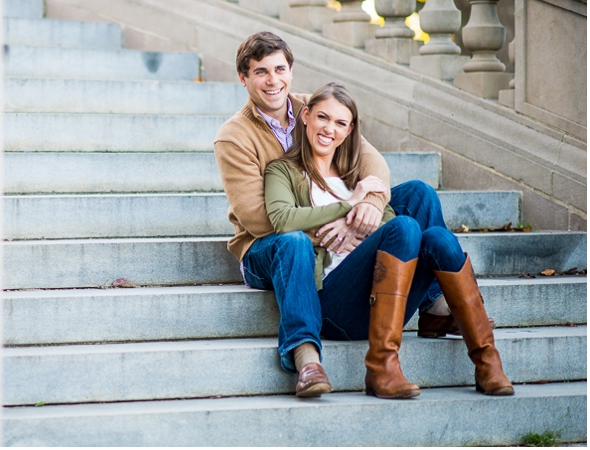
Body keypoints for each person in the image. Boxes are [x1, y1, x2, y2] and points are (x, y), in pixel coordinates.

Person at [213, 31, 490, 398]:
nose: (272, 80)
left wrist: (368, 208)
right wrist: (340, 223)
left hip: (331, 223)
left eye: (279, 69)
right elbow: (258, 218)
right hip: (266, 246)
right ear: (243, 78)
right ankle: (305, 357)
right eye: (260, 72)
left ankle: (436, 305)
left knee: (419, 196)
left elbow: (373, 164)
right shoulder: (234, 136)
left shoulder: (312, 108)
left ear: (291, 72)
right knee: (293, 241)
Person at [263, 81, 513, 398]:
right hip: (336, 305)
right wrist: (350, 206)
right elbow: (283, 220)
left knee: (438, 238)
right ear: (306, 116)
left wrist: (355, 228)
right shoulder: (282, 170)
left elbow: (389, 219)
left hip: (386, 301)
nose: (329, 129)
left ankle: (487, 363)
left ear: (350, 130)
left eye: (341, 123)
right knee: (407, 228)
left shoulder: (355, 174)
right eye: (323, 117)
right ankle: (381, 369)